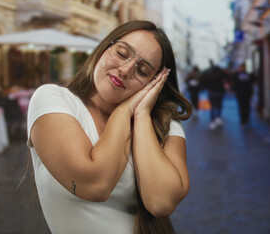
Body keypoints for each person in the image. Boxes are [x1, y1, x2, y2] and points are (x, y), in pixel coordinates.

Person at [26, 20, 193, 234]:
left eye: (142, 71)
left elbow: (161, 203)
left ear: (154, 84)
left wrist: (141, 115)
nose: (124, 70)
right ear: (104, 48)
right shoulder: (54, 100)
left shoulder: (165, 124)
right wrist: (124, 112)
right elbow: (96, 185)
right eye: (122, 53)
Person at [200, 59, 228, 130]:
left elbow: (203, 82)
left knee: (212, 107)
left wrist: (206, 87)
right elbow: (226, 79)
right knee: (219, 105)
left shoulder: (209, 74)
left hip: (211, 92)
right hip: (220, 92)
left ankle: (212, 121)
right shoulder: (221, 74)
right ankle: (218, 118)